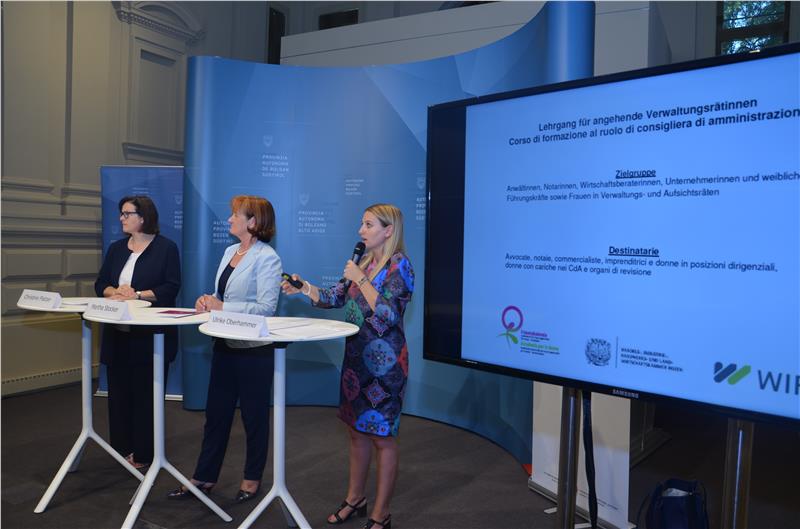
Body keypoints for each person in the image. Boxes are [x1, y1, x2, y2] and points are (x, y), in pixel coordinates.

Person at [282, 203, 413, 529]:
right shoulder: (363, 261)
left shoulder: (400, 265)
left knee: (382, 439)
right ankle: (355, 499)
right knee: (356, 432)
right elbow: (335, 297)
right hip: (355, 363)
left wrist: (362, 280)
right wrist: (303, 287)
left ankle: (381, 513)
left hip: (385, 369)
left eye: (368, 224)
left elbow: (389, 314)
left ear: (388, 230)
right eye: (362, 223)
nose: (360, 230)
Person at [168, 195, 282, 503]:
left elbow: (266, 309)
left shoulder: (268, 258)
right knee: (216, 416)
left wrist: (222, 307)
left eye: (235, 215)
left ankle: (252, 478)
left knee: (254, 418)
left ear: (252, 222)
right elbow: (223, 295)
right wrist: (208, 301)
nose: (229, 219)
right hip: (224, 344)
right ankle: (203, 477)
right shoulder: (231, 251)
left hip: (254, 350)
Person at [95, 195, 181, 468]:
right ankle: (121, 450)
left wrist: (138, 295)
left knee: (146, 398)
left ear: (142, 218)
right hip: (118, 334)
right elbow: (101, 283)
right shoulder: (116, 248)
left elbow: (171, 287)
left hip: (149, 337)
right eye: (121, 214)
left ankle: (144, 454)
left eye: (127, 214)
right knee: (118, 397)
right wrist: (116, 292)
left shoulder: (166, 248)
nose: (121, 218)